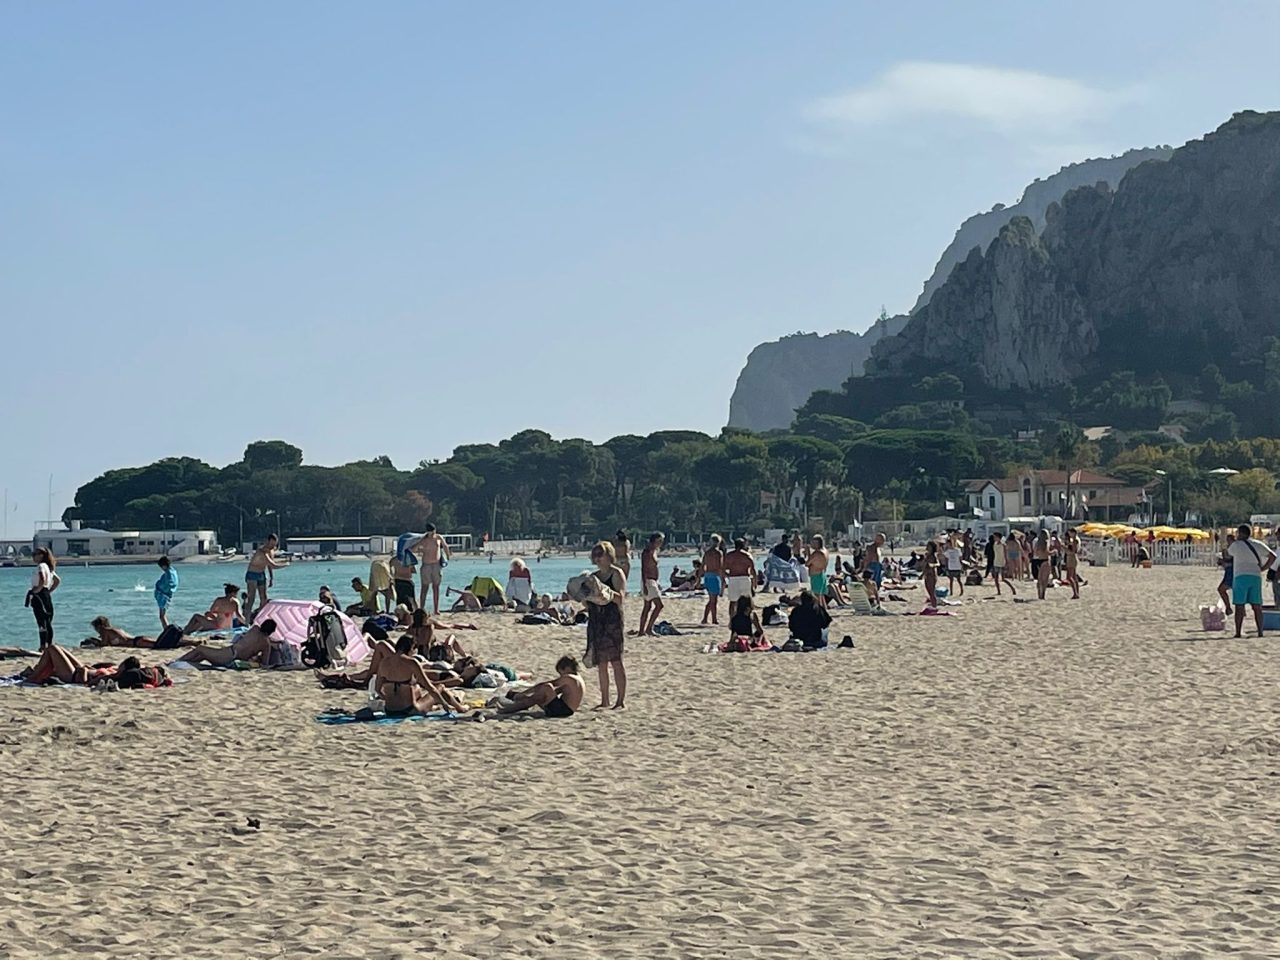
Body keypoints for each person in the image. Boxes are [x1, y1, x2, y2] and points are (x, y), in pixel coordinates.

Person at [374, 633, 467, 716]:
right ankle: (460, 708)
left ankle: (432, 706)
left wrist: (390, 699)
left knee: (416, 690)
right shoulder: (411, 662)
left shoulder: (384, 662)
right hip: (409, 710)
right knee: (440, 687)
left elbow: (377, 689)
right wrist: (445, 705)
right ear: (411, 648)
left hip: (389, 710)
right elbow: (430, 688)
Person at [584, 540, 626, 709]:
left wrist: (605, 592)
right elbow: (587, 603)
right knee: (601, 663)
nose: (598, 558)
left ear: (609, 555)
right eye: (595, 555)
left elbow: (620, 598)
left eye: (601, 555)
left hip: (612, 619)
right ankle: (605, 700)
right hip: (596, 619)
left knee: (616, 661)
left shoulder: (616, 573)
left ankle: (620, 701)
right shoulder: (593, 577)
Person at [1227, 523, 1277, 638]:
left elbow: (1228, 554)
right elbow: (1272, 556)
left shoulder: (1236, 545)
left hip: (1240, 576)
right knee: (1257, 606)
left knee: (1239, 605)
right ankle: (1260, 631)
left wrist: (1231, 541)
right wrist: (1264, 568)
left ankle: (1238, 632)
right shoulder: (1257, 544)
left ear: (1240, 533)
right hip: (1255, 575)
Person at [494, 656, 585, 718]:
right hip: (566, 709)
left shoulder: (569, 678)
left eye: (561, 673)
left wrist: (526, 693)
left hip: (562, 711)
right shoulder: (578, 678)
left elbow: (547, 684)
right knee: (542, 693)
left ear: (566, 668)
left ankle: (513, 707)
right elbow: (559, 691)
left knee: (546, 687)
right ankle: (520, 701)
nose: (561, 676)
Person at [174, 619, 278, 667]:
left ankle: (175, 662)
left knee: (201, 649)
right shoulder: (266, 644)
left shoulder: (255, 629)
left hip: (229, 654)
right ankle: (183, 664)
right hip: (234, 659)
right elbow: (265, 663)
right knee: (202, 655)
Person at [245, 535, 287, 622]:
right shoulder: (261, 551)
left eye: (274, 544)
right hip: (252, 574)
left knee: (264, 598)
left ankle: (260, 619)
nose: (272, 546)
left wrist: (271, 578)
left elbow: (269, 565)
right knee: (251, 598)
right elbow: (273, 565)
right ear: (267, 542)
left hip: (261, 574)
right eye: (271, 544)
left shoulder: (271, 551)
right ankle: (247, 621)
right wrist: (285, 564)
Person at [26, 546, 61, 649]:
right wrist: (49, 591)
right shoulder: (49, 568)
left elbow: (42, 579)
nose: (33, 557)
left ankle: (42, 646)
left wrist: (36, 590)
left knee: (41, 621)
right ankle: (49, 645)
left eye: (34, 555)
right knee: (47, 621)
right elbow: (57, 580)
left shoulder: (41, 566)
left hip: (40, 594)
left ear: (41, 555)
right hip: (45, 595)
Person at [414, 524, 451, 615]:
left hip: (436, 565)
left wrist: (448, 556)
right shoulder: (424, 539)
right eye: (430, 531)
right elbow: (414, 548)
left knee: (436, 587)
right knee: (424, 587)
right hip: (426, 565)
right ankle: (421, 608)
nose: (432, 533)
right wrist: (421, 549)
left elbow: (445, 546)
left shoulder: (438, 538)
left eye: (433, 531)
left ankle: (436, 609)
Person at [637, 532, 665, 636]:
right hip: (648, 580)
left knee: (647, 606)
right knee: (659, 605)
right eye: (660, 541)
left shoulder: (654, 551)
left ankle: (642, 631)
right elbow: (644, 568)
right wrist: (644, 584)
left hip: (653, 580)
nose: (661, 543)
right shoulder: (647, 552)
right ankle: (648, 628)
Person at [724, 538, 758, 611]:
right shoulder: (747, 555)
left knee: (733, 601)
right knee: (747, 601)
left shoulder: (729, 556)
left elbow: (722, 569)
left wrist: (728, 576)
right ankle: (747, 618)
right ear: (743, 545)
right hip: (745, 578)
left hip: (733, 579)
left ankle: (731, 620)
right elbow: (753, 570)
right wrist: (754, 583)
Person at [701, 534, 726, 625]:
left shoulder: (707, 553)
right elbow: (720, 567)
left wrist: (699, 578)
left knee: (711, 599)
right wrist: (723, 578)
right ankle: (714, 619)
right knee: (713, 600)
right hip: (714, 576)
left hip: (707, 576)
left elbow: (702, 566)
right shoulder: (718, 553)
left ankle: (705, 618)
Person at [154, 556, 178, 630]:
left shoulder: (169, 573)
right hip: (165, 595)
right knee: (162, 615)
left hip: (164, 596)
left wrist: (159, 586)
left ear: (164, 566)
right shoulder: (172, 571)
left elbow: (169, 584)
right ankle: (167, 630)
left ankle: (167, 630)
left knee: (162, 616)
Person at [807, 535, 830, 609]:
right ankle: (824, 611)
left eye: (814, 543)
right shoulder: (825, 551)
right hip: (822, 574)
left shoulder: (816, 553)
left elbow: (807, 563)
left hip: (816, 575)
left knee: (817, 597)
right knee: (821, 596)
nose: (812, 544)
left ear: (818, 543)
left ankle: (819, 613)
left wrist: (808, 553)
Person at [991, 532, 1015, 596]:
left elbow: (1005, 554)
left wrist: (1007, 563)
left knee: (1003, 579)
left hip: (1002, 562)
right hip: (996, 562)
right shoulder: (994, 544)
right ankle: (998, 591)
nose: (994, 538)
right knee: (996, 578)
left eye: (995, 537)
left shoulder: (1003, 545)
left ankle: (1012, 588)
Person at [1217, 533, 1235, 614]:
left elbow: (1232, 560)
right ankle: (1230, 608)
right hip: (1229, 571)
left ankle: (1228, 608)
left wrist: (1223, 560)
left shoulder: (1234, 549)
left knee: (1221, 589)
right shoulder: (1228, 549)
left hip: (1231, 572)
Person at [1033, 530, 1052, 600]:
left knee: (1039, 579)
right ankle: (1043, 595)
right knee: (1045, 579)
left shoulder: (1037, 543)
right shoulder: (1046, 542)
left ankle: (1039, 594)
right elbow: (1047, 552)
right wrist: (1053, 552)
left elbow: (1035, 552)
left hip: (1038, 560)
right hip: (1045, 560)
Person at [922, 540, 940, 608]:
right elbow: (925, 566)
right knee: (929, 592)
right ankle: (933, 605)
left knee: (932, 592)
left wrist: (932, 565)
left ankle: (934, 606)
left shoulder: (934, 556)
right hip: (926, 575)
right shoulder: (926, 555)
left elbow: (938, 564)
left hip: (932, 575)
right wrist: (922, 574)